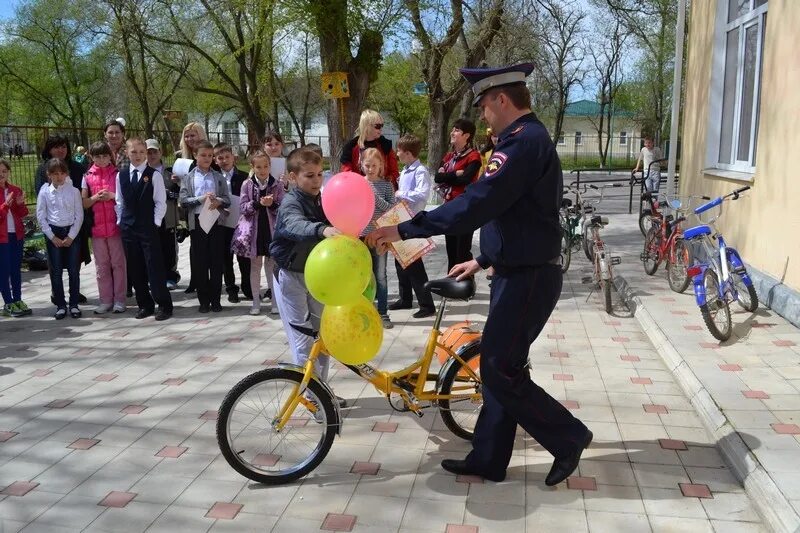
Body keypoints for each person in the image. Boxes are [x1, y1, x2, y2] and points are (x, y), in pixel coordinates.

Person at [367, 63, 592, 485]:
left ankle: (569, 436)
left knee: (499, 371)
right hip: (518, 273)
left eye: (485, 106)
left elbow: (475, 204)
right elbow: (517, 215)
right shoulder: (524, 141)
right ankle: (489, 458)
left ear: (502, 100)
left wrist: (403, 228)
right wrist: (484, 259)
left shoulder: (522, 144)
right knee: (501, 368)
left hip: (528, 279)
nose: (484, 115)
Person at [269, 148, 345, 406]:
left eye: (320, 174)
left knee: (321, 338)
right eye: (309, 176)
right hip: (291, 276)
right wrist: (322, 229)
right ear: (292, 177)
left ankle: (321, 391)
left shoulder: (322, 200)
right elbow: (294, 224)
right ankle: (311, 398)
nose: (316, 181)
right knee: (303, 339)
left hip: (317, 277)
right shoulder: (291, 202)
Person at [115, 138, 173, 321]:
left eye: (142, 152)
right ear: (126, 153)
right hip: (128, 228)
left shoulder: (153, 175)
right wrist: (120, 220)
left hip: (148, 228)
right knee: (135, 267)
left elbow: (160, 202)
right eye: (134, 152)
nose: (138, 155)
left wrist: (155, 223)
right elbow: (119, 201)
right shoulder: (121, 175)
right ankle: (144, 304)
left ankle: (164, 305)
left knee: (153, 266)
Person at [34, 134, 90, 304]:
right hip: (53, 224)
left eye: (64, 146)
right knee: (55, 263)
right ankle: (56, 293)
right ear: (49, 149)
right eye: (56, 146)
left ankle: (75, 293)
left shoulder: (78, 167)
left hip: (75, 222)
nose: (61, 150)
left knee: (75, 260)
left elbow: (84, 190)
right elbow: (40, 198)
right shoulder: (43, 170)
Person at [179, 140, 231, 313]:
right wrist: (200, 199)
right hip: (198, 223)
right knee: (200, 262)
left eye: (210, 156)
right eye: (203, 155)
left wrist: (219, 202)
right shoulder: (189, 178)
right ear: (195, 156)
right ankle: (203, 300)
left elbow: (227, 199)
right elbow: (184, 200)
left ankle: (216, 300)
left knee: (216, 262)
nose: (207, 158)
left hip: (216, 222)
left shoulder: (218, 177)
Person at [388, 135, 435, 318]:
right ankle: (405, 298)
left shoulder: (420, 171)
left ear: (408, 153)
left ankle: (427, 304)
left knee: (414, 264)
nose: (397, 154)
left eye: (399, 151)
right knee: (400, 262)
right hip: (402, 219)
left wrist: (401, 193)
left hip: (414, 221)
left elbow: (422, 194)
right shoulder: (406, 170)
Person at [231, 150, 283, 315]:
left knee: (271, 266)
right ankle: (256, 302)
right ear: (252, 167)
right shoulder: (247, 184)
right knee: (255, 266)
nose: (262, 170)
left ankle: (275, 301)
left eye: (266, 166)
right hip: (253, 233)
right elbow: (242, 208)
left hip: (271, 231)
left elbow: (282, 208)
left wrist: (272, 204)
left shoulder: (277, 184)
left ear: (270, 166)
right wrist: (258, 203)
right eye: (258, 167)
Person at [81, 142, 127, 314]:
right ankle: (105, 300)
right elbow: (84, 203)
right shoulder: (86, 177)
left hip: (116, 228)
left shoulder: (118, 174)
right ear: (91, 157)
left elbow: (124, 199)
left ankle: (120, 300)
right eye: (97, 156)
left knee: (119, 265)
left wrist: (112, 196)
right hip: (97, 231)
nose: (101, 159)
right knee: (102, 267)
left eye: (105, 156)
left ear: (111, 157)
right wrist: (95, 198)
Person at [37, 158, 84, 319]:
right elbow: (41, 216)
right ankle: (61, 305)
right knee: (56, 272)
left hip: (71, 232)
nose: (59, 177)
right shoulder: (44, 191)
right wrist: (52, 236)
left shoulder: (74, 191)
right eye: (55, 173)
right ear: (49, 175)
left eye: (62, 173)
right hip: (54, 233)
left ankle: (74, 304)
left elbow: (79, 215)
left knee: (73, 271)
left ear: (66, 174)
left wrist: (71, 236)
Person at [435, 118, 482, 272]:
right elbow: (437, 178)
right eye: (453, 129)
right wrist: (455, 173)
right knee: (451, 247)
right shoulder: (449, 157)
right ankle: (452, 280)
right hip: (449, 207)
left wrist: (448, 177)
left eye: (456, 130)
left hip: (464, 208)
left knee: (462, 249)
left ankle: (465, 283)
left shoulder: (473, 156)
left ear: (466, 135)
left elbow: (466, 179)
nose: (452, 133)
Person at [360, 148, 396, 329]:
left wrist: (375, 198)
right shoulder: (358, 184)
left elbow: (392, 209)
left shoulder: (386, 186)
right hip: (361, 237)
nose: (370, 169)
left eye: (374, 165)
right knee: (363, 276)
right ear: (361, 164)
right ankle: (365, 311)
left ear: (380, 165)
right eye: (367, 165)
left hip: (380, 237)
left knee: (380, 275)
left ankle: (383, 313)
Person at [214, 142, 250, 302]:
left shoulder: (244, 177)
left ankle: (247, 287)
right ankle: (231, 289)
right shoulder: (214, 178)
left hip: (241, 224)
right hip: (222, 224)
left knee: (244, 258)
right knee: (225, 259)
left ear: (233, 158)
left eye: (227, 157)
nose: (224, 160)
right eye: (220, 158)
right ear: (215, 160)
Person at [146, 139, 181, 290]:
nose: (152, 155)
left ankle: (171, 277)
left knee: (169, 249)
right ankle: (153, 277)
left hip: (169, 217)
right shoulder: (142, 172)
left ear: (160, 152)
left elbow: (182, 191)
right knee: (152, 250)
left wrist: (176, 186)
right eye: (148, 152)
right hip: (150, 218)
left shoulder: (171, 171)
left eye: (154, 151)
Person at [0, 159, 31, 317]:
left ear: (8, 172)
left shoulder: (14, 189)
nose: (1, 174)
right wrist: (5, 204)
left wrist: (19, 204)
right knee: (3, 271)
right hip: (2, 238)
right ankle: (8, 302)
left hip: (16, 235)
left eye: (4, 171)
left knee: (15, 270)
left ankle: (18, 299)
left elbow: (23, 214)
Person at [340, 109, 400, 190]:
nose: (381, 129)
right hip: (360, 190)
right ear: (367, 126)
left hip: (382, 191)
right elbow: (347, 174)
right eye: (377, 126)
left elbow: (394, 171)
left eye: (382, 126)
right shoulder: (350, 147)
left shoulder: (385, 145)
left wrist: (386, 181)